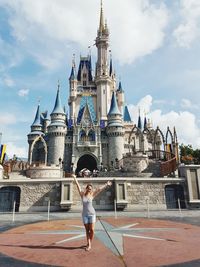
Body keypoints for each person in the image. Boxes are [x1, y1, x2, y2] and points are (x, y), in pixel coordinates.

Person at [73, 174, 112, 251]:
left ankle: (89, 242)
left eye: (90, 189)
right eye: (88, 188)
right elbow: (78, 186)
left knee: (92, 230)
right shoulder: (82, 194)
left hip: (92, 214)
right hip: (85, 215)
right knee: (87, 230)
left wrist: (106, 184)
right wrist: (75, 178)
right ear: (86, 189)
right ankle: (89, 244)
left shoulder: (92, 195)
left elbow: (99, 189)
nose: (89, 190)